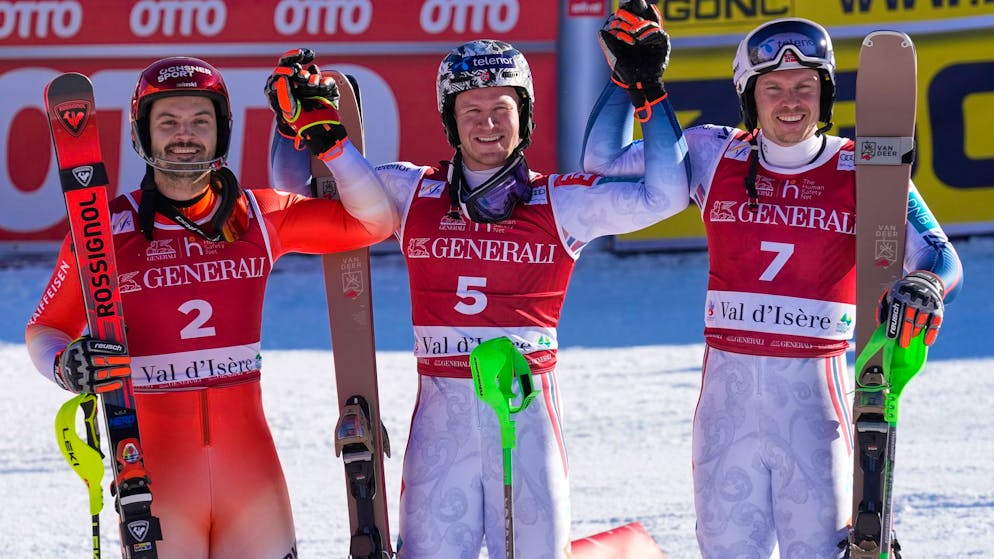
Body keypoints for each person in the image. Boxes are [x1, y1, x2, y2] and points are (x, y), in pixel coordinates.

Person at [269, 37, 688, 558]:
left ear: (525, 115)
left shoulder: (561, 200)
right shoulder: (411, 192)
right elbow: (300, 193)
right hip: (441, 427)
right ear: (450, 119)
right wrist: (293, 124)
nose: (487, 124)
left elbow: (666, 196)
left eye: (501, 109)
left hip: (526, 422)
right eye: (471, 109)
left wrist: (643, 89)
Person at [583, 10, 964, 559]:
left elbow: (940, 254)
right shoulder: (714, 152)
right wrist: (628, 80)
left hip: (817, 417)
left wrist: (925, 283)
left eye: (806, 87)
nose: (791, 101)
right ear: (749, 96)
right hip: (725, 416)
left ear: (826, 94)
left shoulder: (864, 166)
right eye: (774, 87)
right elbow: (602, 162)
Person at [26, 56, 398, 558]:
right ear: (142, 134)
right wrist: (68, 366)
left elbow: (374, 222)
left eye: (201, 121)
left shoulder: (259, 216)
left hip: (251, 481)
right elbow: (45, 328)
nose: (185, 135)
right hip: (158, 482)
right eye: (168, 122)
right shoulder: (103, 230)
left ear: (221, 133)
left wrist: (330, 145)